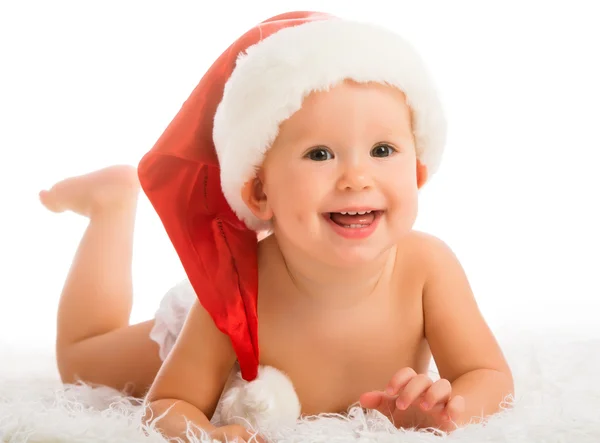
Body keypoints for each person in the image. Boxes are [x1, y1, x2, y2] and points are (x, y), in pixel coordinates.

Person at [40, 11, 514, 443]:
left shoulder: (427, 268)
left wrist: (451, 409)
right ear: (260, 193)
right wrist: (204, 432)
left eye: (383, 150)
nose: (357, 178)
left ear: (418, 172)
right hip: (206, 317)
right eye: (320, 154)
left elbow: (488, 374)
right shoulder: (235, 292)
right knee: (80, 363)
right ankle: (112, 206)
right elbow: (167, 404)